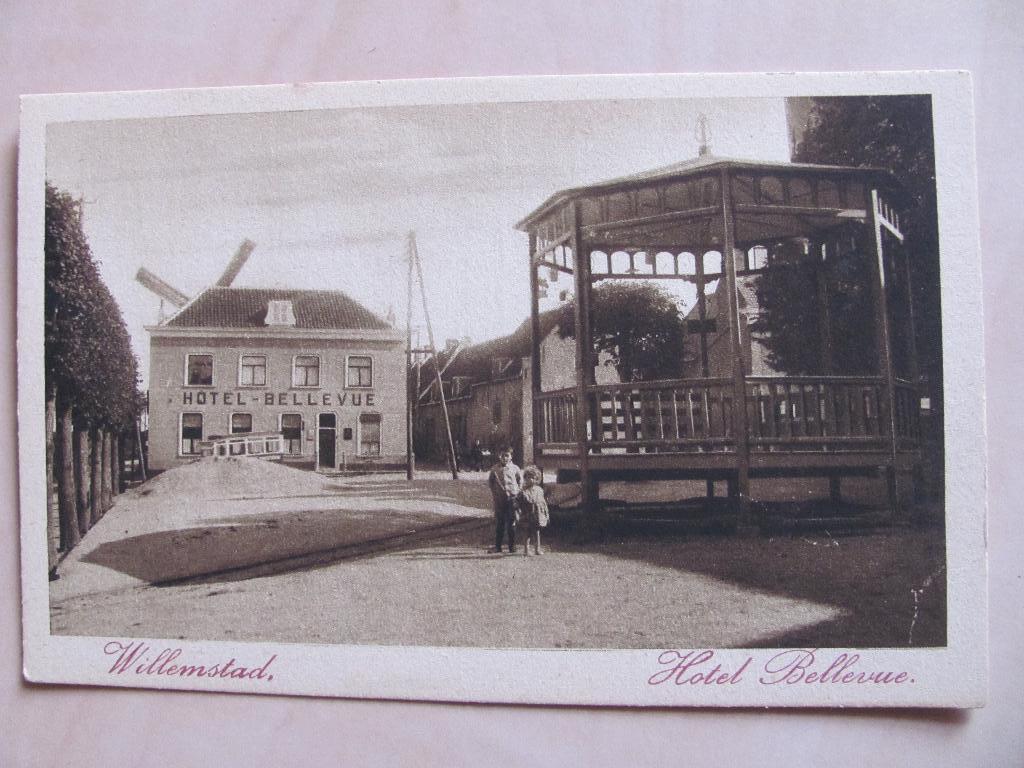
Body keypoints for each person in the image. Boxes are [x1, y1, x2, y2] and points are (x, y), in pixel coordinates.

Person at [487, 449, 522, 553]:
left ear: (511, 456)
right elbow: (491, 483)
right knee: (500, 523)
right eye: (502, 456)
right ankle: (498, 546)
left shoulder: (515, 468)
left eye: (507, 455)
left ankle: (512, 546)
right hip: (500, 500)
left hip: (512, 499)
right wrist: (495, 495)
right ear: (499, 456)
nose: (504, 458)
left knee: (512, 522)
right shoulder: (494, 469)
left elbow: (519, 481)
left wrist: (517, 492)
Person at [516, 466, 550, 556]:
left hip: (537, 514)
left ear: (536, 479)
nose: (530, 480)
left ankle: (537, 549)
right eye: (528, 477)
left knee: (537, 532)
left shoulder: (539, 490)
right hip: (527, 514)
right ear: (525, 478)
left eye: (533, 478)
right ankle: (526, 550)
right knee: (527, 532)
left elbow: (543, 503)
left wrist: (546, 514)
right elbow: (518, 502)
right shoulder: (523, 491)